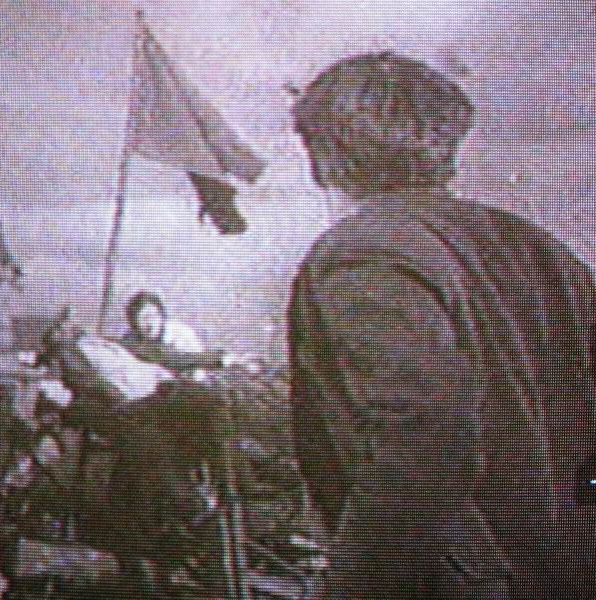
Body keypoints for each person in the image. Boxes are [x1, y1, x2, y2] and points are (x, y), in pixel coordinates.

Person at [287, 51, 596, 599]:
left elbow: (418, 440)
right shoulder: (538, 248)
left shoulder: (365, 253)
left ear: (326, 157)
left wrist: (354, 587)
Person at [120, 291, 236, 376]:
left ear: (161, 316)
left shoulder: (181, 335)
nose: (149, 323)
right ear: (134, 323)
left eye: (152, 316)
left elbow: (196, 372)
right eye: (142, 319)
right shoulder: (130, 340)